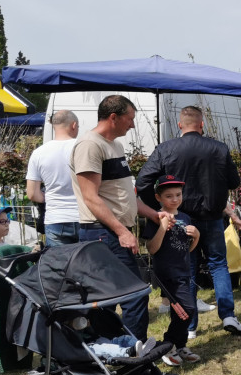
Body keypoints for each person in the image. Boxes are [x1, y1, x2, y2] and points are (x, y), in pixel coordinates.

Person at [136, 105, 241, 338]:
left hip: (180, 218)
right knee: (218, 265)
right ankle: (228, 315)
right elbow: (234, 182)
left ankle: (190, 326)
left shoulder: (167, 149)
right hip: (212, 216)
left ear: (179, 125)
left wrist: (159, 207)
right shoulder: (219, 148)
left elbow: (143, 179)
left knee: (189, 268)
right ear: (201, 124)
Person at [71, 95, 166, 341]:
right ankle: (133, 356)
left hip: (112, 232)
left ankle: (111, 352)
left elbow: (124, 195)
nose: (133, 125)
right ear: (113, 117)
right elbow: (91, 197)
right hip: (102, 232)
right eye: (130, 118)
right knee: (134, 294)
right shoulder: (90, 145)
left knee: (107, 300)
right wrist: (122, 232)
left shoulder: (114, 146)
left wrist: (154, 214)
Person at [142, 175, 200, 366]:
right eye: (169, 196)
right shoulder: (155, 218)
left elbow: (187, 249)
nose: (175, 199)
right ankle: (168, 345)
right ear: (159, 198)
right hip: (167, 274)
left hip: (184, 271)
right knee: (188, 309)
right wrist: (162, 228)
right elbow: (151, 249)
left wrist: (197, 237)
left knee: (181, 312)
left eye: (178, 194)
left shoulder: (184, 218)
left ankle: (179, 345)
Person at [26, 110, 81, 246]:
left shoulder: (38, 153)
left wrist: (51, 197)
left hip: (55, 217)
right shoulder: (84, 147)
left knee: (58, 264)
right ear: (74, 125)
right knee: (86, 264)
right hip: (85, 216)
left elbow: (32, 194)